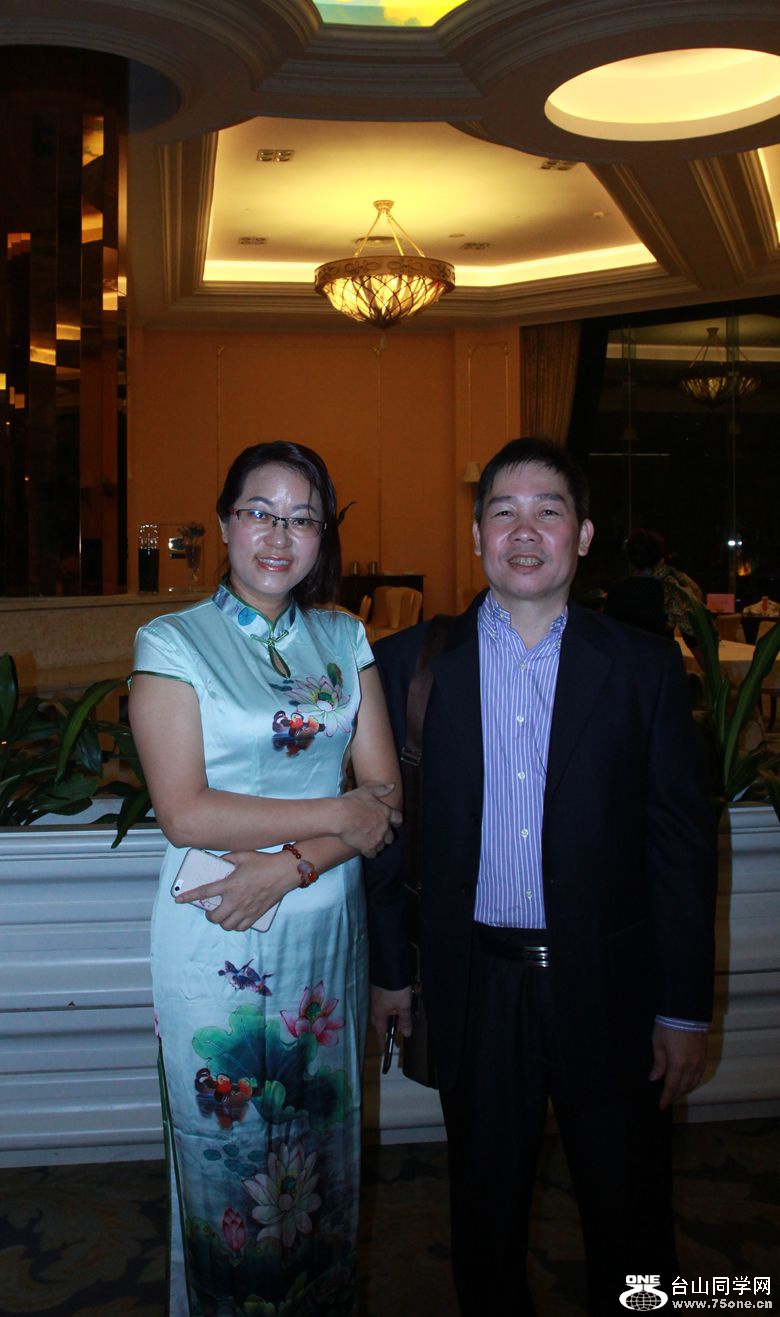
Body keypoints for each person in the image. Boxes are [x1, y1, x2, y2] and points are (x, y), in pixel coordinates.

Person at [366, 438, 716, 1315]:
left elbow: (680, 847)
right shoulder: (410, 665)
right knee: (484, 1217)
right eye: (504, 511)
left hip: (612, 983)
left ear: (583, 535)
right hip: (476, 981)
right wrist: (392, 971)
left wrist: (682, 1008)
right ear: (477, 533)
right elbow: (388, 834)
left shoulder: (643, 667)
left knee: (631, 1215)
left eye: (548, 511)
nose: (525, 530)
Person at [129, 441, 402, 1317]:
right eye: (260, 512)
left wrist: (293, 864)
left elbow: (384, 797)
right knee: (232, 1150)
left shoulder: (344, 636)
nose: (279, 536)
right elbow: (187, 811)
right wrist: (339, 813)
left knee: (321, 1140)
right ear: (224, 522)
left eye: (302, 518)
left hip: (322, 925)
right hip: (220, 930)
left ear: (323, 535)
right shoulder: (173, 641)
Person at [605, 527, 703, 642]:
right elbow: (689, 633)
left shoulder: (617, 590)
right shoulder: (668, 589)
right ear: (660, 560)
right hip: (661, 651)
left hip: (625, 651)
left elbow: (608, 631)